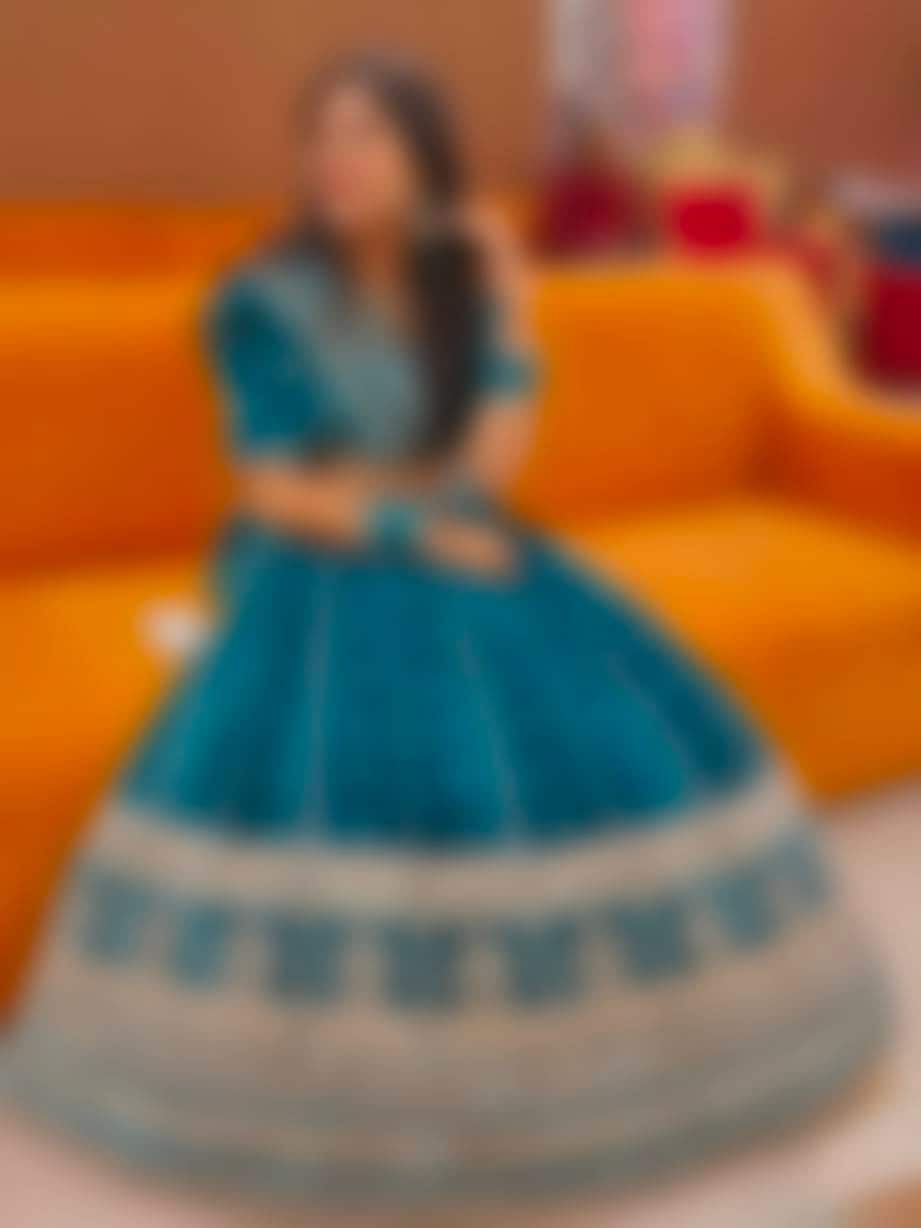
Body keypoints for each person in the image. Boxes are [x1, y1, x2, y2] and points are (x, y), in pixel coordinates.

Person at [2, 51, 886, 1210]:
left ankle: (576, 1057)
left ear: (426, 159)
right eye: (322, 137)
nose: (337, 159)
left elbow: (486, 473)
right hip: (316, 550)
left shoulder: (455, 293)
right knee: (395, 692)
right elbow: (274, 486)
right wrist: (413, 528)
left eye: (367, 134)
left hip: (456, 526)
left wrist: (511, 310)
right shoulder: (264, 299)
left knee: (581, 689)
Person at [535, 106, 644, 258]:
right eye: (590, 148)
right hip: (576, 260)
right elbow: (554, 237)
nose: (596, 154)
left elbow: (635, 234)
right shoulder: (568, 189)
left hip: (615, 260)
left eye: (600, 149)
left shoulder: (617, 187)